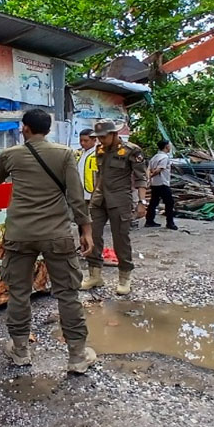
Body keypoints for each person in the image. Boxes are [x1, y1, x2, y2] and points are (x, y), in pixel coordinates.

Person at [0, 109, 96, 374]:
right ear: (48, 128)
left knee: (19, 293)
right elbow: (76, 197)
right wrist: (86, 231)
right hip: (57, 234)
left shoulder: (9, 155)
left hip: (19, 235)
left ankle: (21, 351)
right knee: (67, 294)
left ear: (25, 128)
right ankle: (77, 356)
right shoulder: (65, 154)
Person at [80, 119, 147, 295]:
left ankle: (124, 277)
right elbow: (99, 175)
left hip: (120, 200)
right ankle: (95, 275)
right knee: (92, 236)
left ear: (114, 134)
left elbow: (141, 177)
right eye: (98, 137)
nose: (100, 140)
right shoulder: (99, 149)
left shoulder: (132, 151)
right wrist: (93, 195)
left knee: (121, 240)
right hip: (99, 199)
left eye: (103, 137)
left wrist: (142, 202)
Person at [145, 139, 177, 230]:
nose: (170, 147)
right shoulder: (165, 157)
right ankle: (170, 222)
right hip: (163, 183)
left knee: (153, 202)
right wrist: (151, 175)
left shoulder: (155, 157)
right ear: (166, 146)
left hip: (155, 183)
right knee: (169, 203)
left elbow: (148, 168)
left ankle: (149, 220)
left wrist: (149, 178)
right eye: (169, 145)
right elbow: (159, 169)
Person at [75, 128, 98, 204]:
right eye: (81, 141)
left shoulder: (98, 154)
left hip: (93, 192)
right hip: (79, 192)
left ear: (94, 140)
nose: (82, 143)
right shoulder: (78, 153)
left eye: (86, 141)